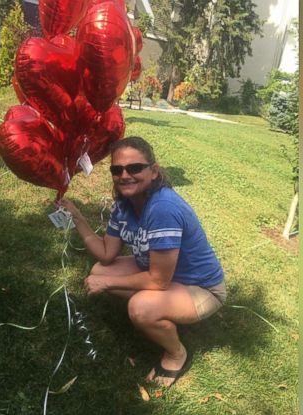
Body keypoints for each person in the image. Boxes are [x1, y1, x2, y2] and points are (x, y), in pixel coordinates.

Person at [58, 136, 227, 388]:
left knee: (141, 307)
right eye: (117, 169)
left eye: (135, 168)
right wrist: (78, 217)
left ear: (154, 171)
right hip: (163, 274)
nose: (125, 175)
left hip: (201, 288)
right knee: (100, 269)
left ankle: (175, 353)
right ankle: (161, 313)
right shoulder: (125, 204)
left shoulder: (163, 209)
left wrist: (106, 284)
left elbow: (159, 281)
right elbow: (106, 254)